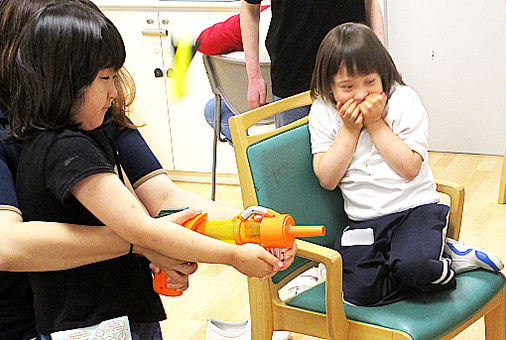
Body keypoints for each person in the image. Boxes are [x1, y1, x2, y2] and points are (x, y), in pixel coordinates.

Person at [1, 1, 295, 339]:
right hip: (83, 322)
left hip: (119, 308)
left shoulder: (86, 125)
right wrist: (231, 254)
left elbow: (164, 199)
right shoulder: (67, 148)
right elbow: (143, 229)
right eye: (105, 77)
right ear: (63, 74)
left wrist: (252, 224)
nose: (114, 92)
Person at [308, 23, 503, 306]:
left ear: (383, 75)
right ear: (329, 87)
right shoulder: (323, 112)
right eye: (347, 87)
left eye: (370, 82)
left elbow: (410, 168)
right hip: (363, 221)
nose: (361, 95)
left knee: (416, 267)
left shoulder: (403, 100)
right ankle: (438, 256)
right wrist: (349, 131)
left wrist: (375, 123)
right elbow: (327, 179)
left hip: (415, 211)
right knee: (357, 293)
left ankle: (441, 260)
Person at [240, 0, 385, 128]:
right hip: (292, 75)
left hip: (352, 74)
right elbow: (249, 9)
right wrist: (254, 77)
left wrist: (383, 61)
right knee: (294, 157)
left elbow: (371, 3)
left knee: (357, 153)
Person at [199, 5, 271, 141]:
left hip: (262, 118)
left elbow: (204, 41)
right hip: (304, 118)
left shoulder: (262, 15)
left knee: (213, 110)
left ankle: (254, 154)